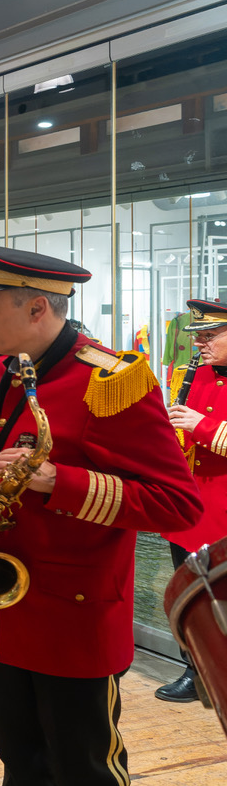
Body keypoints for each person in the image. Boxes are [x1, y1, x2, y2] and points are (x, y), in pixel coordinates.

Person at [0, 241, 200, 786]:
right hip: (2, 600)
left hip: (73, 612)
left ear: (37, 308)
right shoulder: (0, 371)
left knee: (85, 771)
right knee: (19, 761)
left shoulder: (111, 381)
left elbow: (176, 503)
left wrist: (58, 481)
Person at [158, 296, 227, 703]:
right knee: (190, 593)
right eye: (198, 335)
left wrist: (202, 426)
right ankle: (196, 665)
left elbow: (203, 428)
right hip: (189, 503)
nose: (200, 342)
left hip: (223, 508)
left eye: (210, 334)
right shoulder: (195, 372)